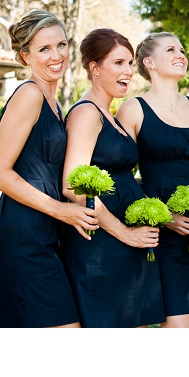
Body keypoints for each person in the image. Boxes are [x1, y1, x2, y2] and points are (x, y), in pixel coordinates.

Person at [0, 10, 98, 328]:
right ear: (25, 55)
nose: (56, 55)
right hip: (25, 230)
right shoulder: (30, 94)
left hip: (47, 228)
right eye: (44, 49)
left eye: (61, 45)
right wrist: (60, 211)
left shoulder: (53, 99)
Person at [61, 28, 165, 328]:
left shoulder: (109, 113)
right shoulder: (86, 113)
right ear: (94, 68)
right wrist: (125, 233)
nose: (128, 71)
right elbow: (72, 186)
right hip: (103, 243)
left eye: (130, 63)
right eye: (118, 63)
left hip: (125, 241)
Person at [116, 32, 189, 329]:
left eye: (182, 49)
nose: (181, 54)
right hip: (161, 233)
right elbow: (121, 173)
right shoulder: (132, 109)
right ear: (149, 62)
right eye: (171, 49)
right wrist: (163, 216)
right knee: (175, 321)